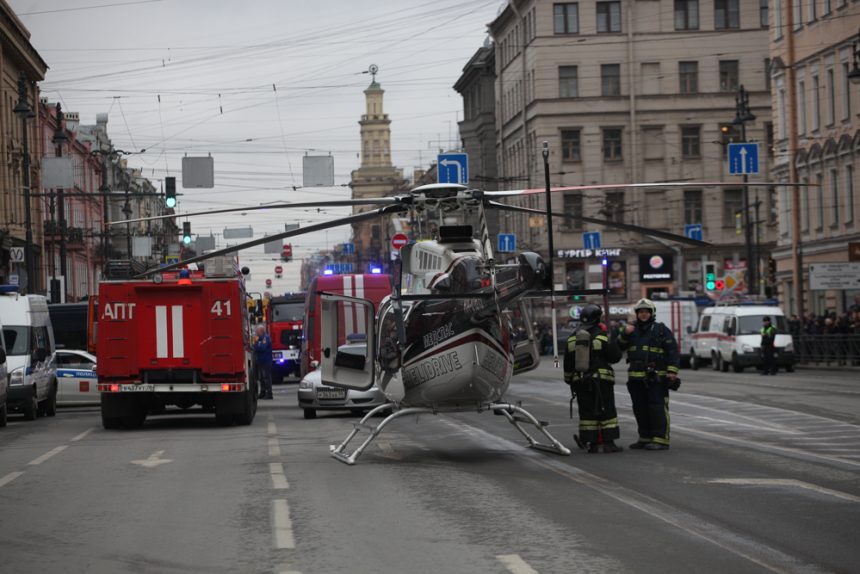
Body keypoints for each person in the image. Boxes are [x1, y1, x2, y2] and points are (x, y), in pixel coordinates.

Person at [617, 298, 680, 451]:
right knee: (639, 408)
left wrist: (672, 371)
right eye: (641, 312)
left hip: (656, 377)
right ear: (637, 314)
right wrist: (624, 334)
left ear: (652, 313)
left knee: (657, 407)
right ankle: (645, 437)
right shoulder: (630, 330)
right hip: (635, 378)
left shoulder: (660, 330)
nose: (643, 314)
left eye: (646, 312)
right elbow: (617, 347)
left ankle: (660, 439)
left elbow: (672, 351)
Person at [563, 303, 624, 453]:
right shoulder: (602, 336)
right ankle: (609, 443)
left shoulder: (572, 338)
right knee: (607, 410)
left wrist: (570, 380)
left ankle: (592, 444)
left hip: (581, 381)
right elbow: (615, 356)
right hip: (601, 381)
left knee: (587, 413)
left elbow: (567, 364)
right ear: (597, 318)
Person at [254, 325, 274, 399]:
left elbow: (262, 347)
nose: (256, 333)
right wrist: (257, 344)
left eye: (257, 331)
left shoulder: (266, 338)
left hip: (266, 361)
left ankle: (269, 393)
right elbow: (254, 346)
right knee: (261, 378)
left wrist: (257, 344)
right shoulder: (258, 338)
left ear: (261, 331)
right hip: (260, 361)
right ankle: (262, 392)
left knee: (266, 377)